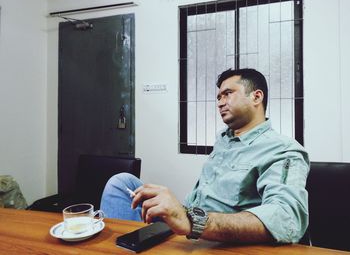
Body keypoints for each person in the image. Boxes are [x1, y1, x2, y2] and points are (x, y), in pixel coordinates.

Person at [100, 68, 309, 243]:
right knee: (120, 183)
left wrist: (192, 221)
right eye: (218, 97)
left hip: (214, 240)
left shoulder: (282, 149)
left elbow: (286, 218)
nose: (220, 102)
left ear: (256, 96)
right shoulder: (223, 140)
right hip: (187, 228)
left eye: (228, 93)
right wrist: (176, 211)